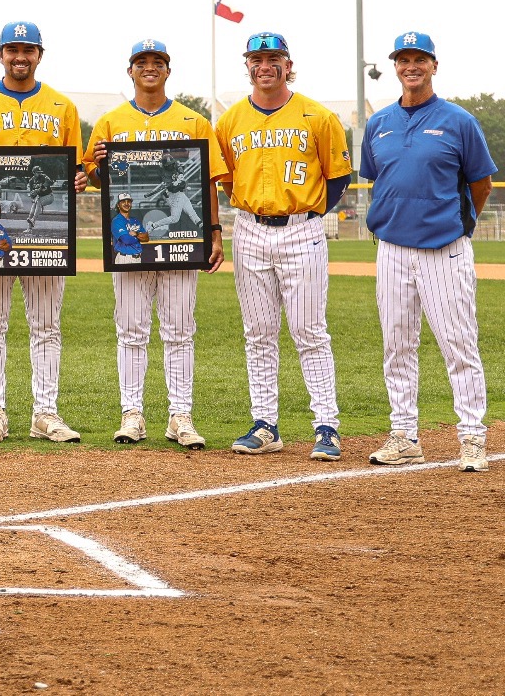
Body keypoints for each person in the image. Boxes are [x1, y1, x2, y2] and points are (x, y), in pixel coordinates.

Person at [358, 31, 494, 473]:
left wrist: (458, 227)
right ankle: (404, 434)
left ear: (434, 65)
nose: (410, 66)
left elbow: (481, 183)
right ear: (395, 66)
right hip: (392, 248)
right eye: (403, 59)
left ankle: (472, 437)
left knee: (458, 344)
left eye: (420, 59)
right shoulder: (379, 124)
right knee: (397, 345)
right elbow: (380, 178)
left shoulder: (458, 121)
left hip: (444, 248)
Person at [214, 31, 352, 461]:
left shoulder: (317, 116)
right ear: (248, 66)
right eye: (257, 58)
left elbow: (339, 177)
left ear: (288, 64)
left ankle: (326, 425)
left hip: (301, 228)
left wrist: (308, 215)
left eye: (274, 57)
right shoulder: (231, 120)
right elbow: (224, 178)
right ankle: (265, 424)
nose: (265, 65)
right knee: (258, 335)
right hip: (250, 229)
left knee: (310, 333)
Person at [85, 40, 225, 449]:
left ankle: (180, 414)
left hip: (181, 243)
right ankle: (132, 413)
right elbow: (96, 180)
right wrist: (99, 166)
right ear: (130, 71)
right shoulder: (111, 122)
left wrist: (213, 232)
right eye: (141, 62)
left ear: (168, 70)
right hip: (129, 240)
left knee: (180, 329)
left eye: (158, 62)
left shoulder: (193, 122)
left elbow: (210, 180)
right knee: (131, 329)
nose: (150, 68)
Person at [0, 21, 87, 444]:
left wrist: (79, 179)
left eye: (28, 50)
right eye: (12, 49)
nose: (20, 57)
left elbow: (77, 169)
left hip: (46, 243)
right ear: (0, 54)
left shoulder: (61, 107)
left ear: (39, 55)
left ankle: (45, 413)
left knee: (46, 325)